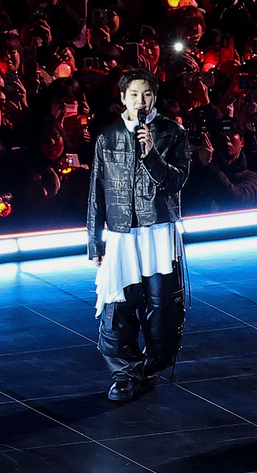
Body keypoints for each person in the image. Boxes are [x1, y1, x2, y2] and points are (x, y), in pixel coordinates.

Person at [87, 68, 190, 402]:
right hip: (120, 231)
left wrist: (151, 155)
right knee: (119, 303)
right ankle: (124, 371)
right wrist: (94, 242)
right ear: (122, 98)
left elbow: (177, 181)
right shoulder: (108, 137)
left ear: (154, 97)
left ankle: (150, 367)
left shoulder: (171, 132)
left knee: (162, 305)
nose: (140, 101)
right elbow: (96, 193)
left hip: (158, 228)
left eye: (146, 94)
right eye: (134, 94)